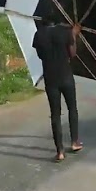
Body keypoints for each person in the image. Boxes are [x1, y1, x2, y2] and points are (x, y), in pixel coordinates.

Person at [32, 14, 81, 162]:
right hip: (66, 76)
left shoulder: (38, 34)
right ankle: (74, 142)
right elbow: (72, 54)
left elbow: (40, 56)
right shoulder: (65, 31)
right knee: (72, 108)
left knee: (55, 114)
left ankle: (59, 151)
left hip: (50, 78)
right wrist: (73, 35)